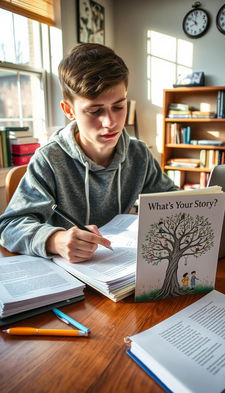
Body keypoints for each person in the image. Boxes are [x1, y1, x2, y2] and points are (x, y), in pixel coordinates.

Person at [0, 43, 178, 263]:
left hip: (121, 267)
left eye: (119, 106)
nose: (110, 122)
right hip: (69, 276)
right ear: (69, 110)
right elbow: (10, 227)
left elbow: (174, 202)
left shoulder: (139, 154)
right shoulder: (49, 160)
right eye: (95, 111)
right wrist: (55, 240)